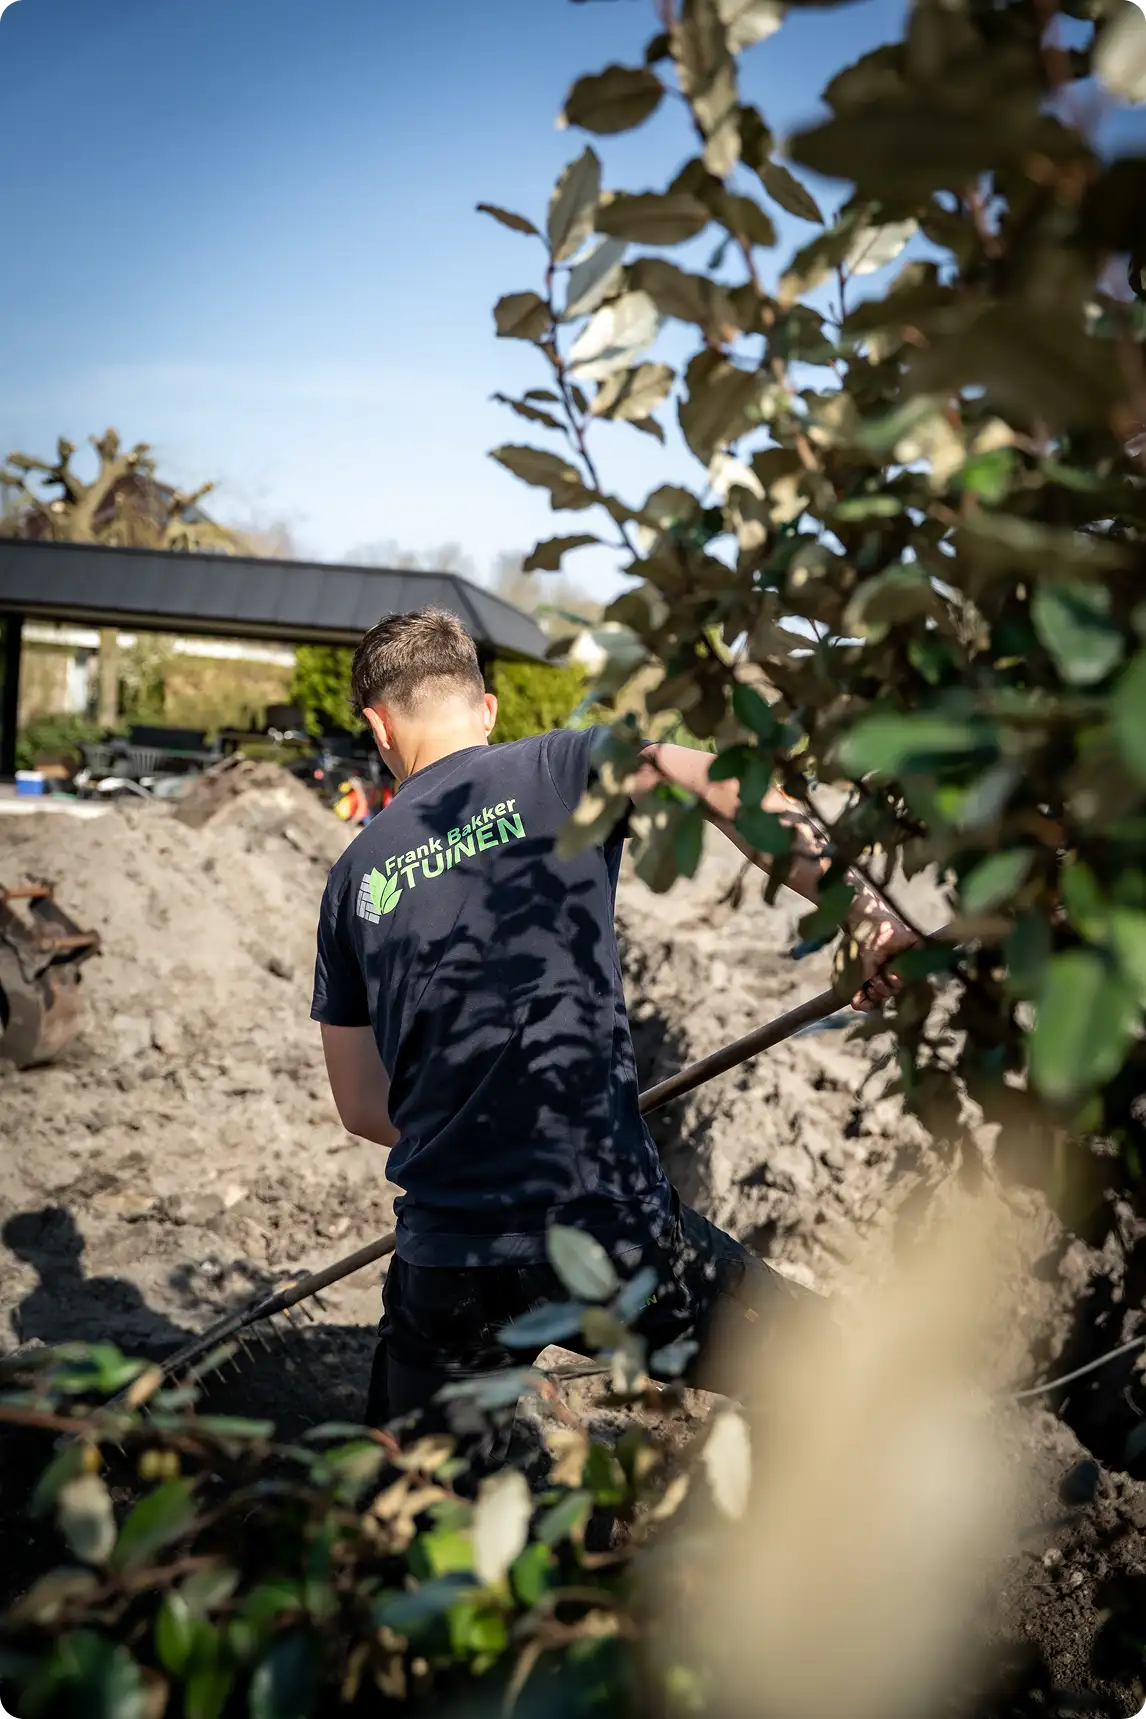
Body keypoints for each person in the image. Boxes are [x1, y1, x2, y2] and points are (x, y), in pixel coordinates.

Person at [310, 607, 918, 1430]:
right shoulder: (561, 765)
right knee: (816, 1354)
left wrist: (464, 1125)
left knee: (409, 1488)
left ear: (378, 727)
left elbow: (359, 1104)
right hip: (607, 1225)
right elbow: (728, 784)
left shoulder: (351, 878)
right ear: (486, 709)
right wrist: (868, 916)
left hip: (448, 1257)